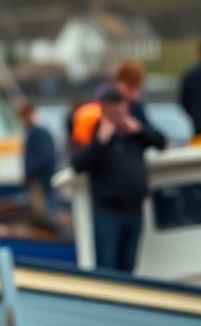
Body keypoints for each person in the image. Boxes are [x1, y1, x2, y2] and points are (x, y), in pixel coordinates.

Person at [71, 86, 166, 272]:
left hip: (134, 208)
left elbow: (161, 142)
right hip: (107, 211)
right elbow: (78, 164)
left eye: (121, 113)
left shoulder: (135, 132)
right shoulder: (94, 131)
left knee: (129, 266)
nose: (118, 119)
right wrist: (100, 141)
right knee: (108, 267)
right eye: (113, 114)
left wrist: (139, 130)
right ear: (104, 111)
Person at [71, 60, 156, 148]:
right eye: (131, 87)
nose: (135, 93)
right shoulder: (95, 112)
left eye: (137, 88)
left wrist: (139, 130)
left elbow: (155, 136)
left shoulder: (136, 108)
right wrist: (100, 140)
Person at [19, 99, 59, 229]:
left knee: (45, 211)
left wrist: (30, 172)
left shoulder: (38, 132)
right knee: (43, 210)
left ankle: (52, 237)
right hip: (41, 178)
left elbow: (47, 157)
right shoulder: (36, 131)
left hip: (41, 179)